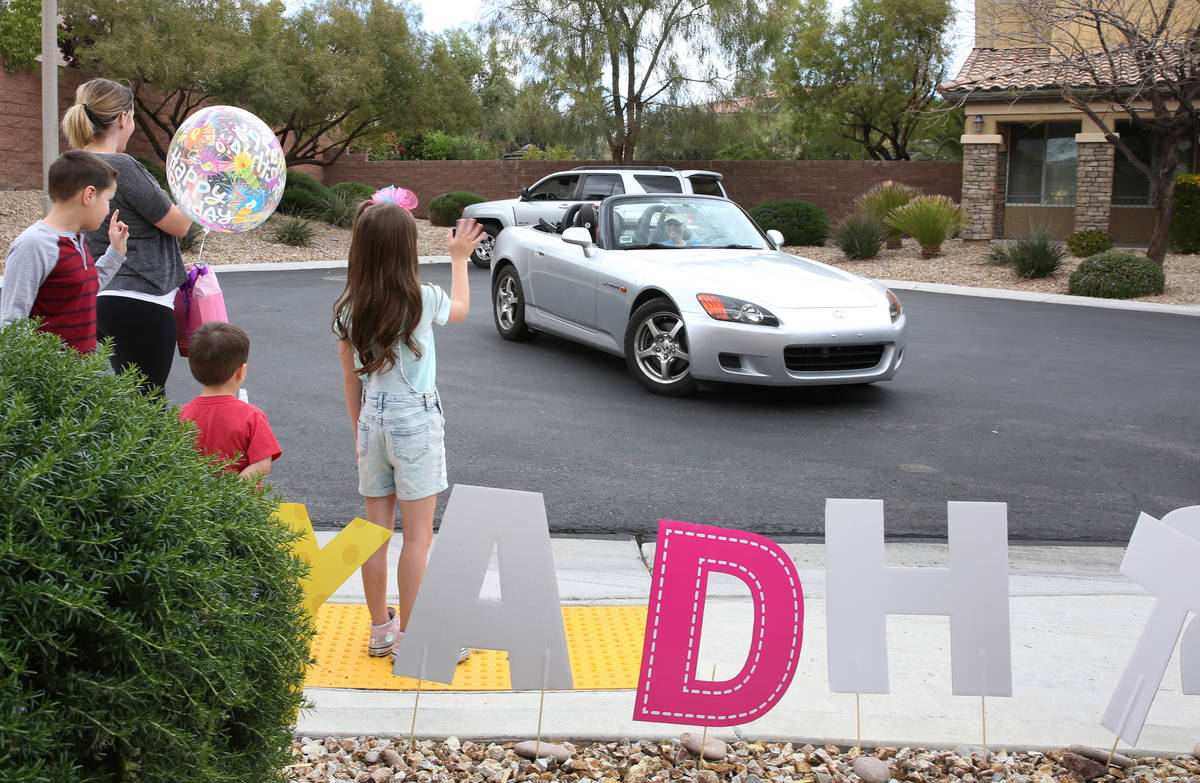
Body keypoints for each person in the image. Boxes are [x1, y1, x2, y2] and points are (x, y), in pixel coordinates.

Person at [332, 199, 484, 660]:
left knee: (374, 532)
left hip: (371, 424)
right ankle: (417, 640)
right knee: (418, 537)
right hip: (414, 425)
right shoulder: (421, 298)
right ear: (407, 251)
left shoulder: (347, 308)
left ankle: (381, 629)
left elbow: (349, 380)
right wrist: (459, 258)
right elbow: (460, 308)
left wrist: (359, 435)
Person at [61, 78, 193, 394]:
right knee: (147, 403)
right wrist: (193, 183)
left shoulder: (72, 166)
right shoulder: (121, 166)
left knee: (132, 397)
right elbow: (180, 225)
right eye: (133, 117)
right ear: (123, 119)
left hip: (101, 297)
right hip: (141, 300)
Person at [1, 150, 130, 352]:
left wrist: (115, 251)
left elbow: (84, 290)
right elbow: (12, 321)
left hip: (74, 378)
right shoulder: (34, 244)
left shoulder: (75, 240)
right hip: (49, 380)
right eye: (108, 200)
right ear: (89, 195)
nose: (108, 209)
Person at [179, 321, 281, 480]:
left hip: (194, 501)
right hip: (238, 503)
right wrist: (231, 489)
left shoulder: (181, 416)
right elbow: (262, 464)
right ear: (241, 371)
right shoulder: (251, 416)